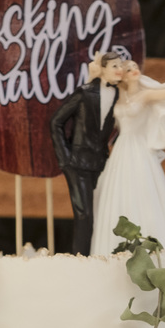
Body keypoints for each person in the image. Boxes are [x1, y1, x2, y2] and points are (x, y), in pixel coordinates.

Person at [88, 33, 165, 255]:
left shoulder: (146, 96)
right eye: (129, 68)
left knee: (145, 196)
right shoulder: (115, 96)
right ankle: (114, 250)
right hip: (121, 152)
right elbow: (93, 98)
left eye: (134, 67)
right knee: (117, 196)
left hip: (139, 152)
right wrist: (94, 74)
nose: (135, 70)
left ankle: (151, 248)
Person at [48, 48, 132, 254]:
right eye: (114, 66)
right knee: (84, 214)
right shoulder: (85, 92)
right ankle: (81, 260)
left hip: (102, 163)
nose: (119, 69)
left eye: (121, 65)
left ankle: (98, 256)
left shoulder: (119, 95)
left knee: (102, 213)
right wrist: (65, 158)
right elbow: (56, 122)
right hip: (77, 163)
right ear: (102, 69)